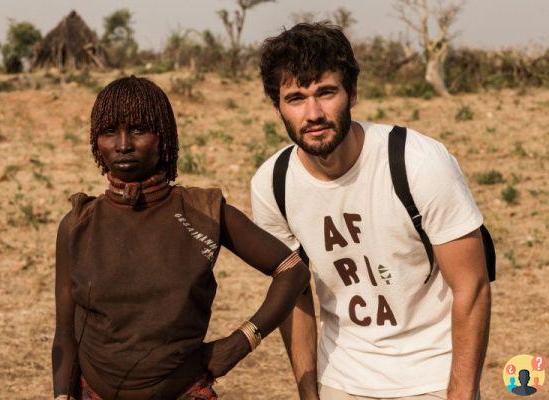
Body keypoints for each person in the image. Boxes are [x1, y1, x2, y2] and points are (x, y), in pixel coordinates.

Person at [251, 23, 491, 400]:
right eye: (296, 98)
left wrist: (460, 392)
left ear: (352, 93)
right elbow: (293, 295)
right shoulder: (272, 184)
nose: (313, 113)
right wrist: (308, 392)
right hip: (342, 376)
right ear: (277, 107)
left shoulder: (417, 162)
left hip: (431, 374)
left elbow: (472, 287)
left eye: (326, 92)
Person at [51, 76, 311, 400]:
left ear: (164, 137)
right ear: (95, 141)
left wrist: (240, 342)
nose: (122, 145)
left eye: (138, 130)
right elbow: (65, 331)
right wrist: (62, 395)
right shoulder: (78, 225)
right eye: (109, 132)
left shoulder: (202, 212)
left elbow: (292, 270)